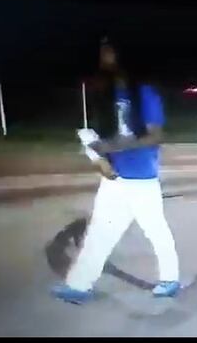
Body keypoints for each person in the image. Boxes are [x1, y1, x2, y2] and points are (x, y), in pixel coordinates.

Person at [51, 38, 181, 304]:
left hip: (141, 178)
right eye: (102, 54)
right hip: (113, 178)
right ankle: (79, 285)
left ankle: (170, 279)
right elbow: (102, 138)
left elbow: (155, 136)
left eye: (108, 54)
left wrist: (115, 146)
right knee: (99, 232)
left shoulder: (144, 93)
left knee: (155, 230)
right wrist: (98, 156)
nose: (102, 59)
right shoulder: (107, 96)